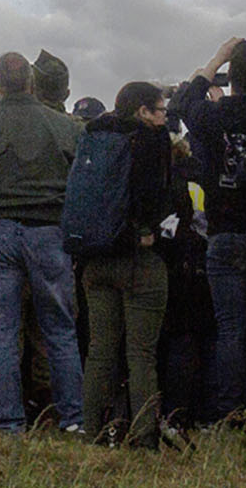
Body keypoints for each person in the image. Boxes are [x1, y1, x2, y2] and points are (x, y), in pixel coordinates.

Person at [0, 51, 85, 435]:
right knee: (58, 328)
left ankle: (10, 422)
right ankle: (72, 420)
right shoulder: (67, 128)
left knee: (2, 330)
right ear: (32, 83)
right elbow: (83, 188)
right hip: (50, 231)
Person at [179, 35, 246, 425]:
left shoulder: (213, 116)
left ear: (232, 79)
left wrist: (218, 55)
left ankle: (229, 412)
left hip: (222, 231)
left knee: (229, 330)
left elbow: (182, 103)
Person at [78, 81, 175, 449]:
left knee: (100, 350)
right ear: (143, 112)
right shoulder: (152, 141)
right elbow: (157, 196)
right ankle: (144, 437)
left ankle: (92, 432)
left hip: (95, 259)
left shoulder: (93, 135)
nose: (165, 117)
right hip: (138, 259)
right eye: (160, 110)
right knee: (140, 354)